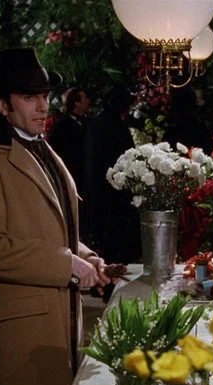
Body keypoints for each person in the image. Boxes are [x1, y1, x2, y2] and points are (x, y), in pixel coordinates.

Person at [0, 47, 111, 385]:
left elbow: (52, 228)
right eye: (29, 97)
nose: (42, 106)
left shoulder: (44, 148)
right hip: (19, 333)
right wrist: (66, 263)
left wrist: (88, 256)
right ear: (2, 105)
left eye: (44, 96)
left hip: (59, 320)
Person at [82, 83, 139, 265]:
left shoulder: (96, 123)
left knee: (102, 236)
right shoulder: (117, 125)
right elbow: (127, 156)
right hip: (114, 190)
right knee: (115, 237)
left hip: (96, 186)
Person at [47, 87, 90, 189]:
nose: (88, 101)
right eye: (85, 98)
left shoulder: (87, 122)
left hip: (87, 178)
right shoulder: (60, 126)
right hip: (72, 179)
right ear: (77, 103)